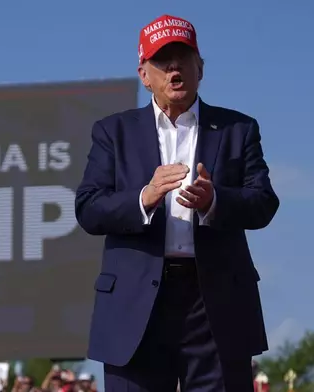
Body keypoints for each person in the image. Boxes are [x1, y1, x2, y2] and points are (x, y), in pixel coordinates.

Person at [75, 14, 279, 392]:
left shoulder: (238, 129)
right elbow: (88, 208)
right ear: (144, 74)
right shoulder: (113, 132)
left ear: (200, 68)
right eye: (161, 60)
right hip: (135, 307)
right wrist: (143, 198)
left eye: (182, 58)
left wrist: (216, 200)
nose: (173, 68)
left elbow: (264, 202)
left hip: (214, 304)